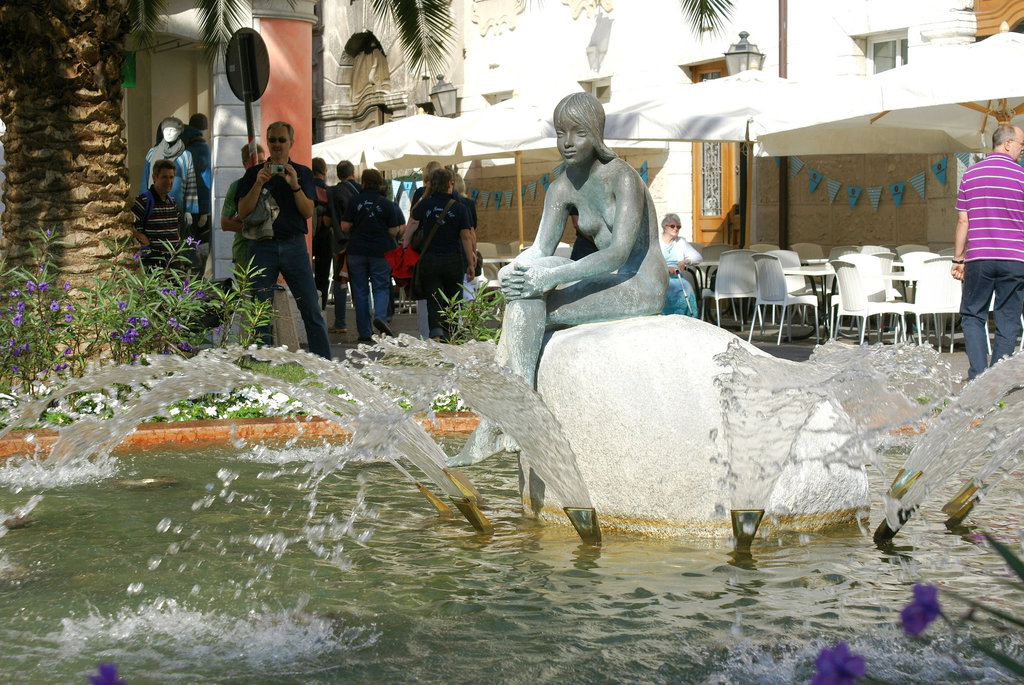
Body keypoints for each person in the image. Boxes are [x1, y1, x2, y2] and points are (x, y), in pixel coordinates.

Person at [453, 91, 666, 465]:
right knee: (526, 291)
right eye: (560, 132)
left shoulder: (624, 178)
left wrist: (549, 279)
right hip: (609, 280)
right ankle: (513, 416)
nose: (566, 142)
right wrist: (513, 272)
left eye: (578, 132)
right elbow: (539, 250)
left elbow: (617, 254)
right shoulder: (561, 186)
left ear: (596, 134)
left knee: (537, 295)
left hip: (639, 285)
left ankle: (505, 422)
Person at [236, 121, 333, 360]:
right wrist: (258, 183)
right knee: (260, 311)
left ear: (291, 142)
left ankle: (325, 366)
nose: (277, 145)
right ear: (267, 143)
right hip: (262, 246)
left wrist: (295, 186)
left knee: (310, 307)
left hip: (294, 245)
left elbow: (308, 212)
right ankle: (263, 364)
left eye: (281, 140)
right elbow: (243, 211)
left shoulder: (302, 173)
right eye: (272, 140)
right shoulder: (252, 174)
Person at [952, 123, 1024, 380]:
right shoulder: (1022, 177)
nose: (1022, 150)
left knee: (973, 316)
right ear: (1007, 143)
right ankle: (995, 382)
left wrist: (958, 259)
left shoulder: (970, 175)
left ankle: (978, 377)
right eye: (1020, 145)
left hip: (979, 258)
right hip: (1015, 260)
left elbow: (963, 221)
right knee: (1008, 321)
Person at [410, 167, 475, 340]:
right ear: (449, 184)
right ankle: (451, 334)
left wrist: (426, 194)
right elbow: (466, 237)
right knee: (453, 298)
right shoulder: (460, 207)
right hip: (453, 260)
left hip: (430, 260)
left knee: (434, 299)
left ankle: (436, 333)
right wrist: (470, 263)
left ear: (431, 185)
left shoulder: (426, 204)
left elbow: (414, 214)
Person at [341, 169, 405, 342]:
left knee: (360, 290)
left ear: (362, 183)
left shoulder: (354, 201)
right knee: (381, 286)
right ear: (379, 184)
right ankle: (381, 318)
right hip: (381, 251)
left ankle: (364, 331)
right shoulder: (387, 204)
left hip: (356, 251)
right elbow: (393, 231)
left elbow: (344, 227)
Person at [140, 117, 199, 263]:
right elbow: (145, 178)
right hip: (154, 207)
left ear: (179, 132)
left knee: (176, 243)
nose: (169, 133)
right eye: (166, 130)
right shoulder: (152, 153)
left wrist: (189, 210)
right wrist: (142, 205)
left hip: (176, 207)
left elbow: (191, 182)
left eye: (173, 130)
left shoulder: (186, 156)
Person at [327, 160, 361, 333]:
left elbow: (329, 217)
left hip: (340, 243)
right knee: (360, 282)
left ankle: (340, 322)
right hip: (360, 242)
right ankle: (364, 323)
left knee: (340, 281)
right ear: (353, 173)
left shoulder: (333, 192)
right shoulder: (362, 190)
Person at [220, 142, 265, 272]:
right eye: (254, 163)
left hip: (267, 252)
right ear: (245, 164)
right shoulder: (237, 187)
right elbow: (225, 224)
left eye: (262, 161)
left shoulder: (270, 184)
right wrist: (255, 228)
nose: (259, 167)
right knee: (246, 292)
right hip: (244, 252)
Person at [132, 159, 182, 269]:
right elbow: (129, 229)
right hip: (153, 265)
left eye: (171, 177)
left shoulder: (172, 202)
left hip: (172, 264)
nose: (169, 181)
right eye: (164, 177)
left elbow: (176, 232)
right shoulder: (144, 201)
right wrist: (141, 237)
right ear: (154, 178)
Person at [659, 213, 701, 317]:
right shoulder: (656, 241)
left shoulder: (681, 242)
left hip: (677, 277)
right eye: (672, 226)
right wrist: (665, 268)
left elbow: (698, 257)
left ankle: (686, 319)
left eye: (678, 227)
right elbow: (650, 261)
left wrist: (685, 261)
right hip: (659, 277)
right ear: (664, 227)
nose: (675, 229)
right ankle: (664, 318)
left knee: (687, 288)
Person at [311, 157, 333, 310]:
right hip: (325, 237)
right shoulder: (329, 192)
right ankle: (322, 305)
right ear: (324, 171)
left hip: (307, 236)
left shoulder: (305, 188)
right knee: (323, 276)